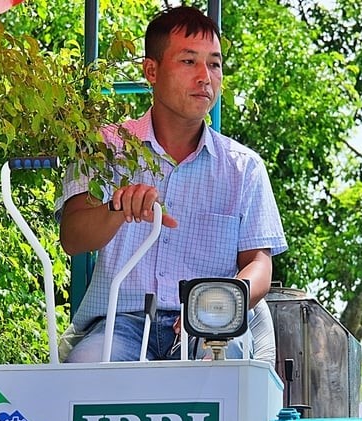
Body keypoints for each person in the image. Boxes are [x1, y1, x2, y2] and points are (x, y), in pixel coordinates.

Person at [59, 6, 287, 363]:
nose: (205, 77)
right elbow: (72, 238)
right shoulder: (104, 147)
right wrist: (117, 209)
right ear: (151, 70)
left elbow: (259, 263)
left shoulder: (244, 167)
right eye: (188, 62)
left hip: (211, 325)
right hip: (120, 323)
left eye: (214, 64)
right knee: (88, 367)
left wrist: (217, 301)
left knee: (227, 368)